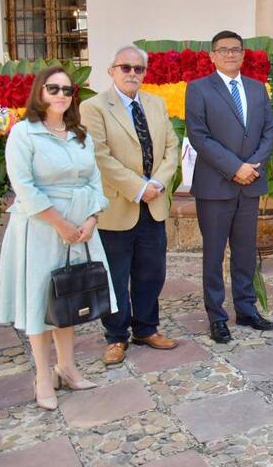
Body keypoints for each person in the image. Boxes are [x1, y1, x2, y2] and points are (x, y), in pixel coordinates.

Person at [0, 67, 116, 410]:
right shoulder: (24, 133)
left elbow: (94, 180)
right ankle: (43, 376)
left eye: (67, 89)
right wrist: (59, 223)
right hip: (41, 228)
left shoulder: (80, 134)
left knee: (70, 296)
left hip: (81, 228)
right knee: (41, 302)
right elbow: (24, 186)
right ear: (40, 92)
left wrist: (93, 218)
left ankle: (67, 368)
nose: (62, 94)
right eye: (54, 88)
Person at [81, 45, 181, 365]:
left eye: (139, 69)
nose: (133, 74)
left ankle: (146, 328)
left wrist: (158, 184)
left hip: (153, 204)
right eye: (126, 68)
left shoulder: (156, 103)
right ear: (111, 70)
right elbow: (100, 156)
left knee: (151, 272)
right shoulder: (93, 107)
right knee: (115, 275)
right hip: (118, 205)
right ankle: (116, 336)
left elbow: (171, 148)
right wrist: (138, 188)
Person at [185, 30, 273, 343]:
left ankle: (247, 309)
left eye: (235, 49)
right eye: (223, 50)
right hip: (215, 186)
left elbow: (269, 130)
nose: (230, 55)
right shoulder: (198, 89)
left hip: (250, 183)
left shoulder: (256, 88)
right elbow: (199, 136)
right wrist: (234, 167)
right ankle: (217, 317)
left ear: (243, 54)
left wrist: (251, 166)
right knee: (214, 254)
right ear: (212, 56)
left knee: (245, 251)